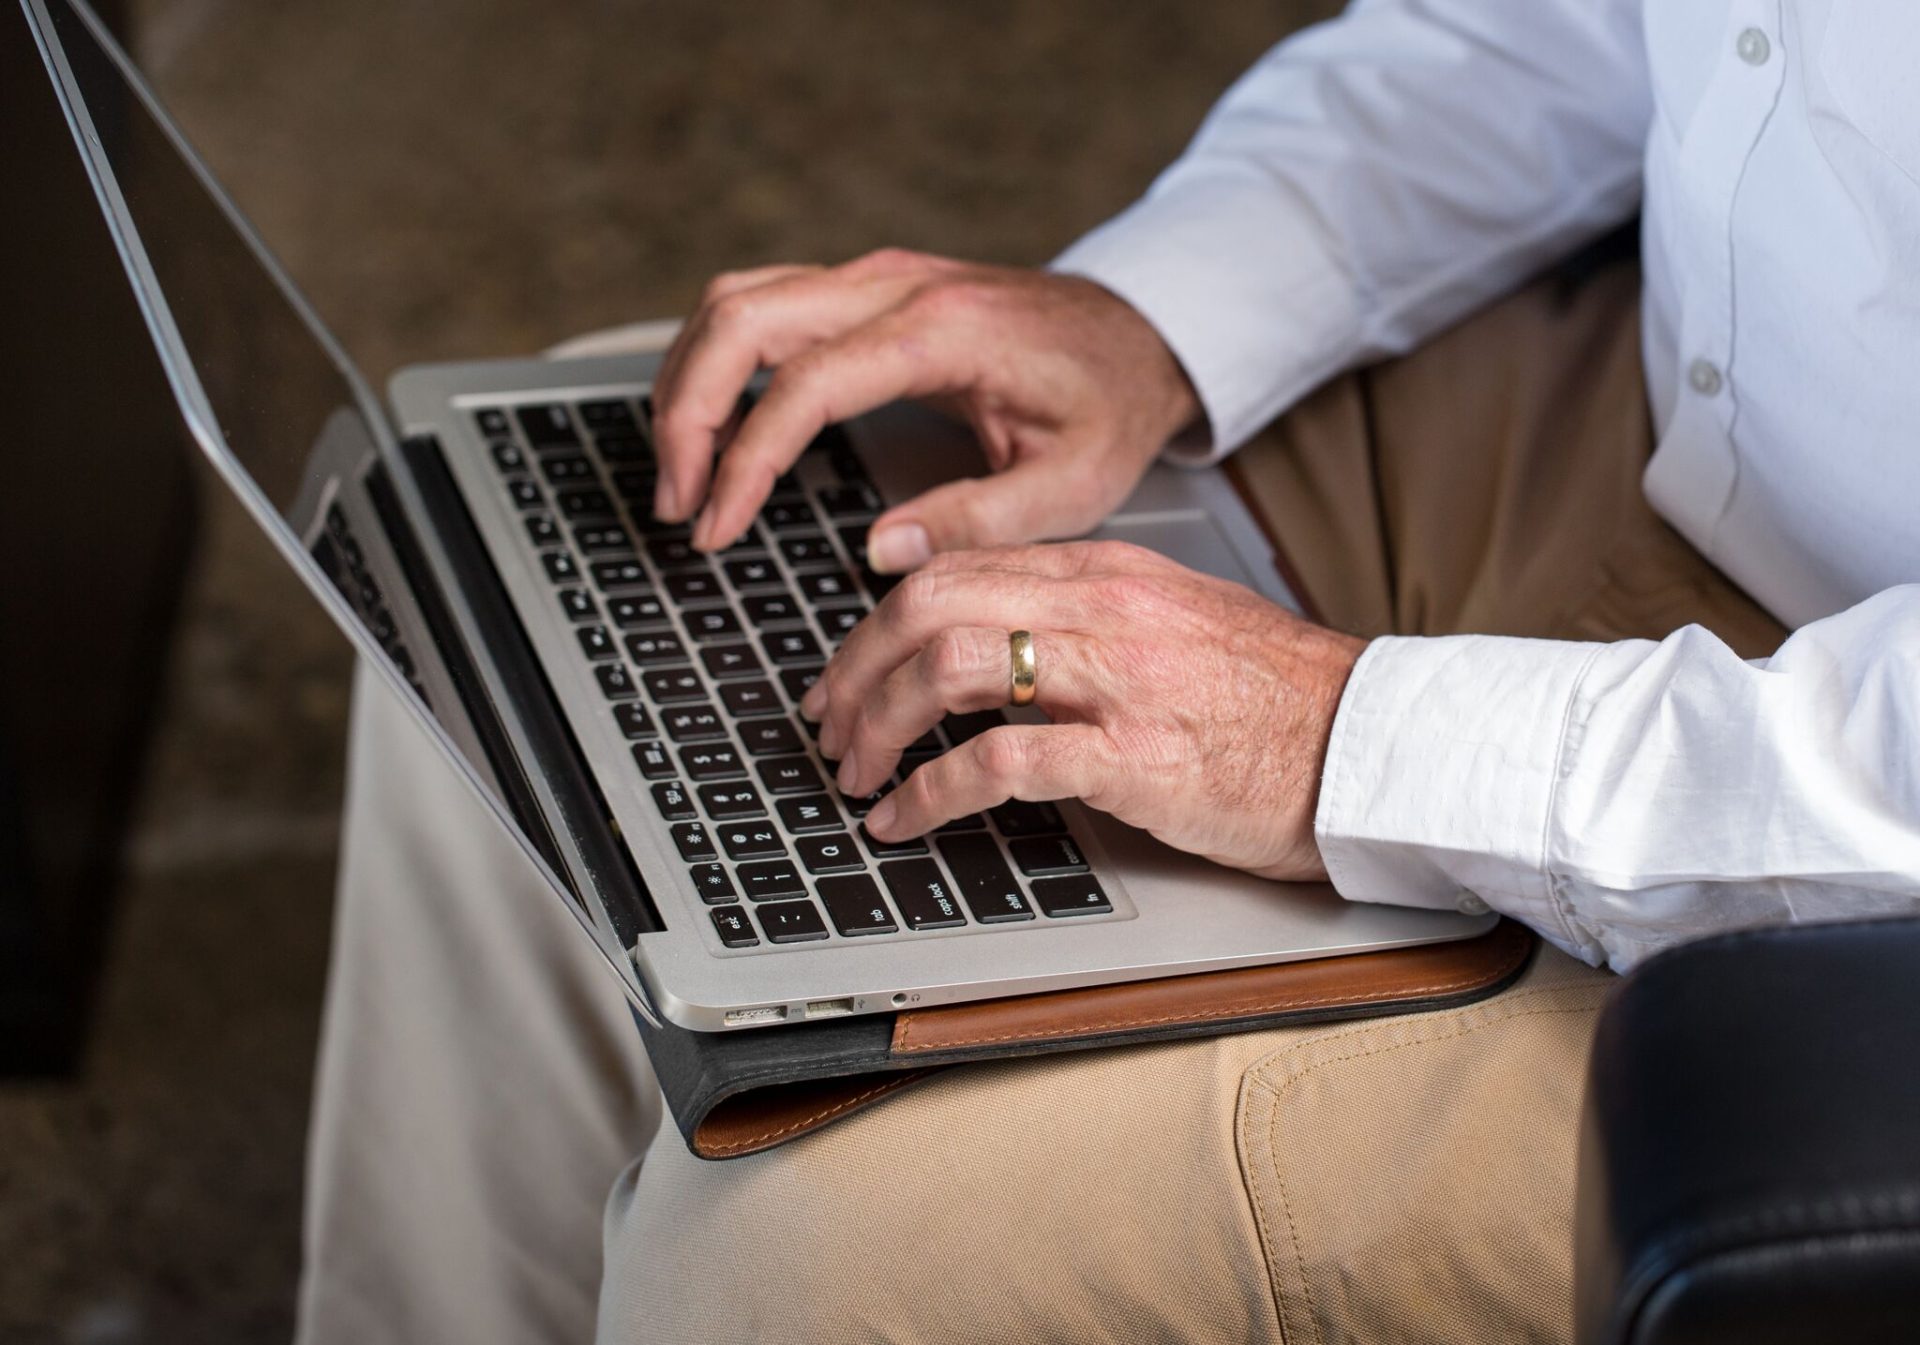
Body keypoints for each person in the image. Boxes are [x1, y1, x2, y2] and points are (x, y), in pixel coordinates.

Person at [297, 1, 1920, 1341]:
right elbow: (1564, 28)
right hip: (1668, 408)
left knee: (805, 1252)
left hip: (1860, 852)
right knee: (530, 573)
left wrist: (1335, 734)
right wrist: (1150, 317)